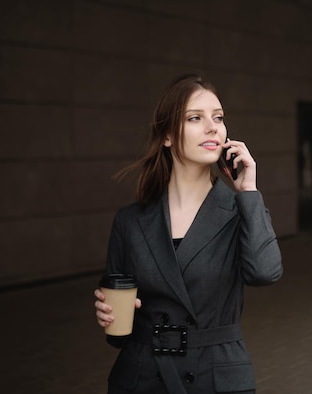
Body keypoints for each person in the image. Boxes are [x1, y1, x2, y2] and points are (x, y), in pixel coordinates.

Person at [93, 73, 283, 394]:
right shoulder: (130, 221)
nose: (213, 127)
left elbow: (265, 273)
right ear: (167, 135)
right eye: (195, 118)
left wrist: (248, 191)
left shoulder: (242, 211)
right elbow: (118, 331)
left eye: (218, 118)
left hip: (216, 376)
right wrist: (108, 313)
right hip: (142, 377)